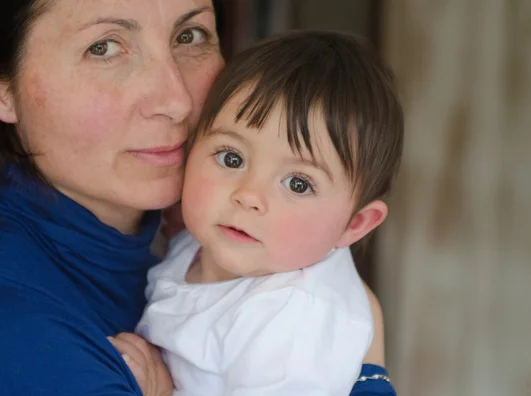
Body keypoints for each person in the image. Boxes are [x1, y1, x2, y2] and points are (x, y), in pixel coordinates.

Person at [0, 1, 396, 395]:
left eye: (190, 35)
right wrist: (370, 375)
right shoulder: (10, 337)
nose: (177, 100)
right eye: (104, 47)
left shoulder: (199, 250)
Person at [110, 31, 403, 396]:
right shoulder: (200, 243)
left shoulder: (294, 321)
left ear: (354, 224)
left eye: (298, 184)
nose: (248, 196)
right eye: (231, 158)